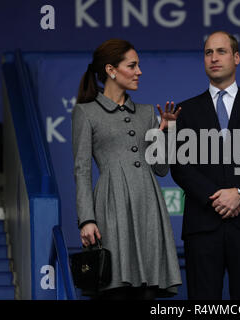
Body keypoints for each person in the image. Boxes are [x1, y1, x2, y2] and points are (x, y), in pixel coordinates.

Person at [170, 31, 240, 300]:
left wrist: (239, 193)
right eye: (208, 52)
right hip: (203, 223)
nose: (214, 58)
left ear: (236, 57)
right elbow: (180, 166)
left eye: (221, 51)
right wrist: (217, 199)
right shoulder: (185, 110)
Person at [72, 39, 182, 300]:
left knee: (148, 291)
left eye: (139, 66)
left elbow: (162, 168)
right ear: (111, 70)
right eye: (132, 66)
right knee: (116, 290)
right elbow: (82, 169)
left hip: (149, 206)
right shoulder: (85, 112)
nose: (139, 72)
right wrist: (87, 219)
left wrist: (168, 130)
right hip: (112, 207)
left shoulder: (146, 113)